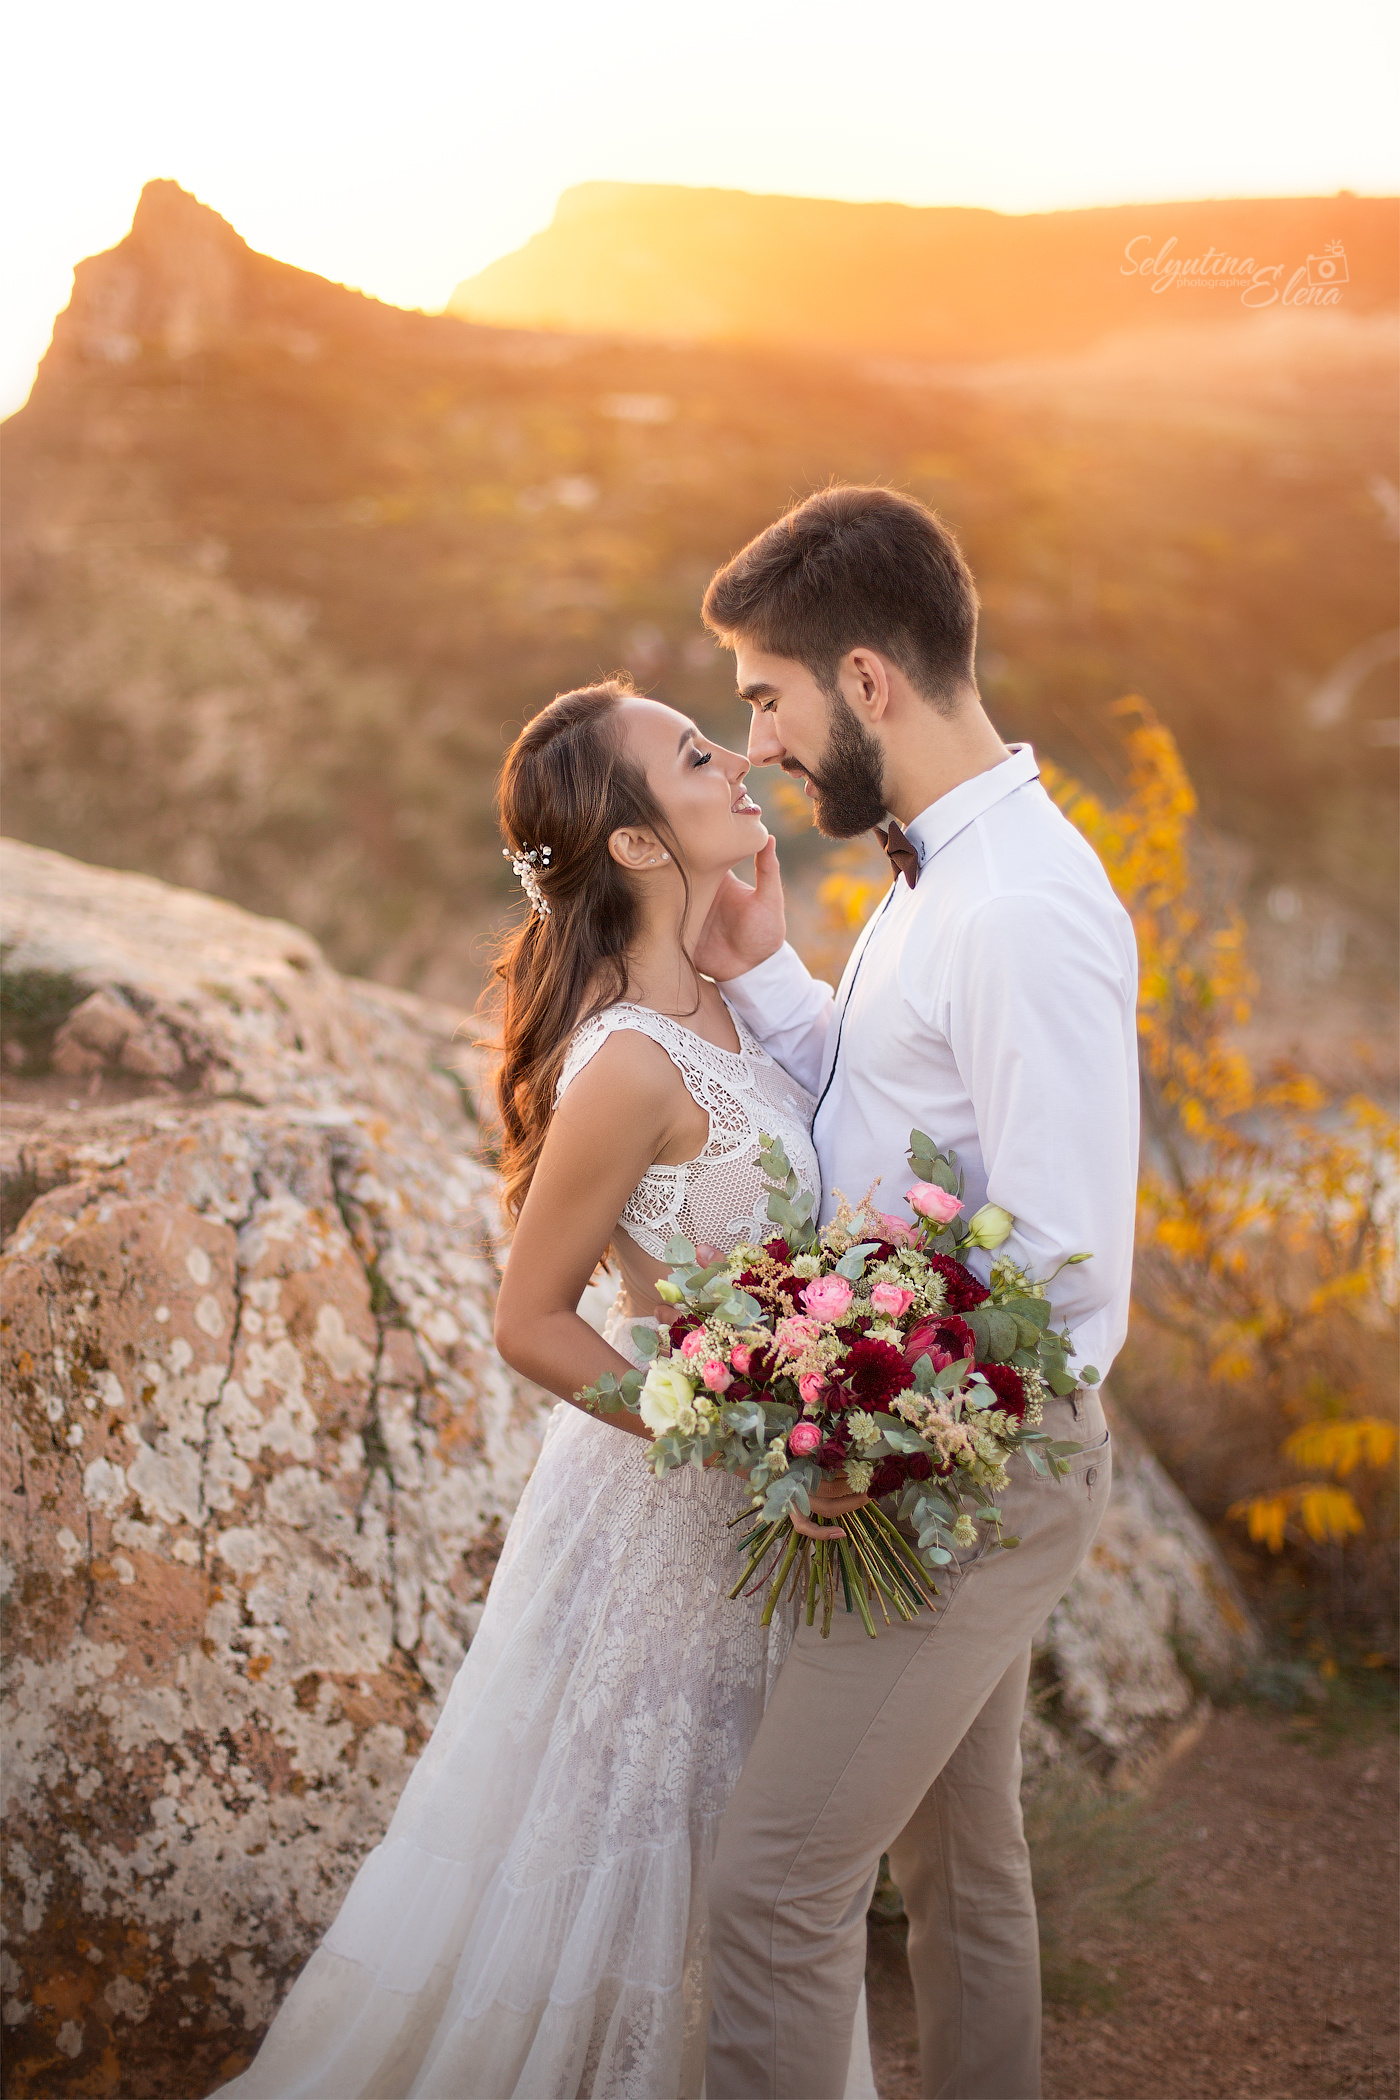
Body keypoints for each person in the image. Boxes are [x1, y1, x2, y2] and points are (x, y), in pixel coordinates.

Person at [215, 679, 876, 2100]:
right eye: (698, 755)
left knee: (745, 1860)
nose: (737, 760)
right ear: (636, 845)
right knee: (632, 1852)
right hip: (672, 1499)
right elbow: (530, 1321)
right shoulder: (627, 1064)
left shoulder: (730, 1003)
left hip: (766, 1508)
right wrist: (746, 1434)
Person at [693, 486, 1140, 2100]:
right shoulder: (940, 876)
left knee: (771, 1890)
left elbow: (1062, 1262)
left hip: (966, 1468)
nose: (757, 744)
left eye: (768, 696)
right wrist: (764, 976)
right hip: (945, 1440)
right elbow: (888, 1123)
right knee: (966, 1874)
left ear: (866, 682)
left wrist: (864, 1434)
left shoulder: (1019, 908)